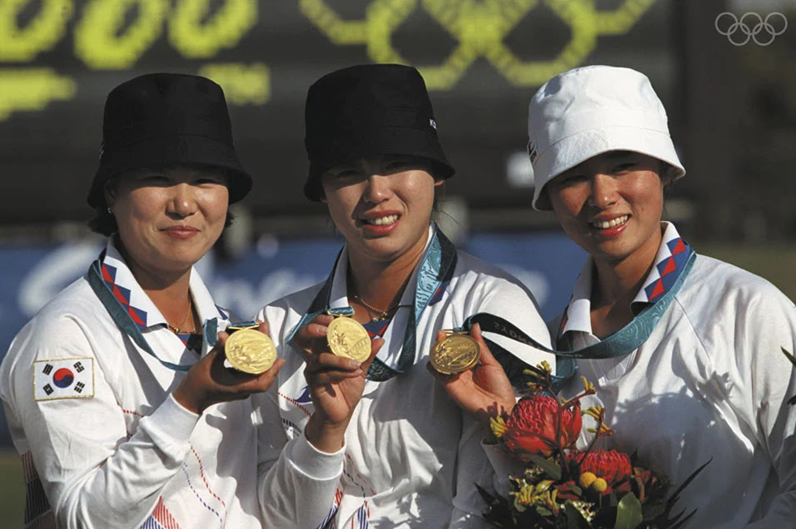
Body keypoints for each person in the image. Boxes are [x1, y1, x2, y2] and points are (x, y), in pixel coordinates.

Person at [433, 65, 796, 529]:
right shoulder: (552, 349)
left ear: (665, 169)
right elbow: (546, 510)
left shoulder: (746, 309)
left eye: (623, 164)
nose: (602, 195)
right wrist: (507, 424)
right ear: (548, 198)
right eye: (572, 176)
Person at [253, 64, 555, 529]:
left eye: (396, 164)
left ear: (434, 173)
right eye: (348, 171)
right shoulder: (278, 328)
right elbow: (270, 520)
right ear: (323, 192)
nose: (376, 192)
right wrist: (324, 430)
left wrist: (503, 425)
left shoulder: (496, 310)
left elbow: (539, 502)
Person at [0, 73, 287, 529]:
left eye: (205, 179)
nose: (184, 203)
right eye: (158, 178)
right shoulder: (65, 336)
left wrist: (324, 429)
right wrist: (189, 399)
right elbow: (83, 519)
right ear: (111, 192)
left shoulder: (231, 333)